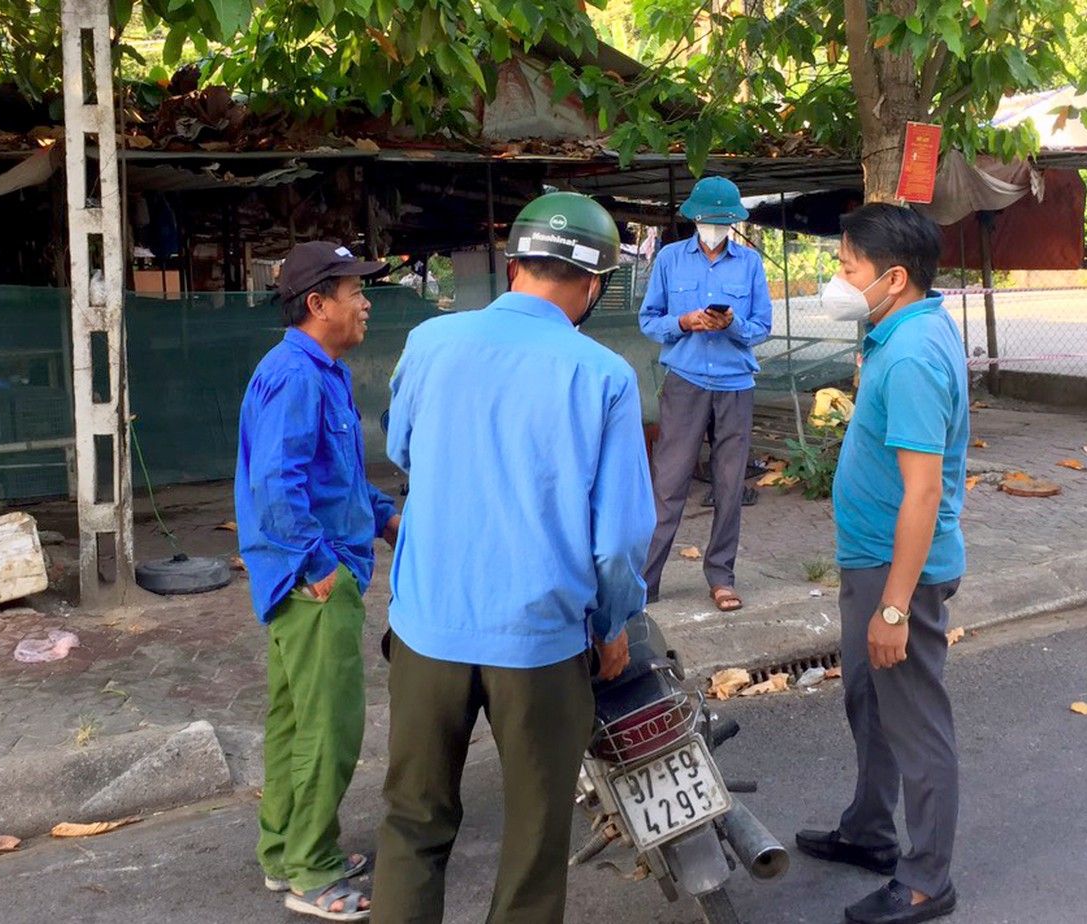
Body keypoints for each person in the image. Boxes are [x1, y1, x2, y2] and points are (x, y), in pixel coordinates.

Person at [372, 191, 655, 924]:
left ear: (516, 262)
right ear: (594, 285)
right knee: (533, 842)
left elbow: (402, 449)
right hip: (541, 641)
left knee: (413, 823)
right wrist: (614, 621)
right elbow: (620, 538)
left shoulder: (431, 343)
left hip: (427, 626)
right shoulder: (603, 376)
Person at [794, 203, 969, 924]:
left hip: (900, 573)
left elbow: (924, 491)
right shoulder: (897, 329)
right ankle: (868, 831)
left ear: (893, 278)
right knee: (869, 701)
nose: (837, 279)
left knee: (914, 721)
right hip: (872, 561)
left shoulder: (915, 356)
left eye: (847, 268)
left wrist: (895, 607)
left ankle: (927, 878)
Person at [235, 241, 401, 923]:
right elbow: (278, 485)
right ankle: (312, 869)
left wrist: (388, 520)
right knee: (329, 727)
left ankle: (285, 851)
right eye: (354, 291)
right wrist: (319, 567)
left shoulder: (322, 371)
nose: (365, 303)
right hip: (312, 582)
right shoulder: (296, 375)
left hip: (316, 570)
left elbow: (339, 477)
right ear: (317, 304)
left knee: (295, 721)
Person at [638, 175, 772, 613]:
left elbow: (761, 328)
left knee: (730, 485)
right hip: (685, 381)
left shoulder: (750, 264)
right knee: (669, 483)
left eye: (723, 222)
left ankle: (721, 577)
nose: (715, 228)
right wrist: (685, 322)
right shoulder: (670, 260)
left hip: (736, 385)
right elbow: (649, 319)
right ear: (694, 219)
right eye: (709, 221)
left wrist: (729, 324)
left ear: (733, 222)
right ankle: (646, 581)